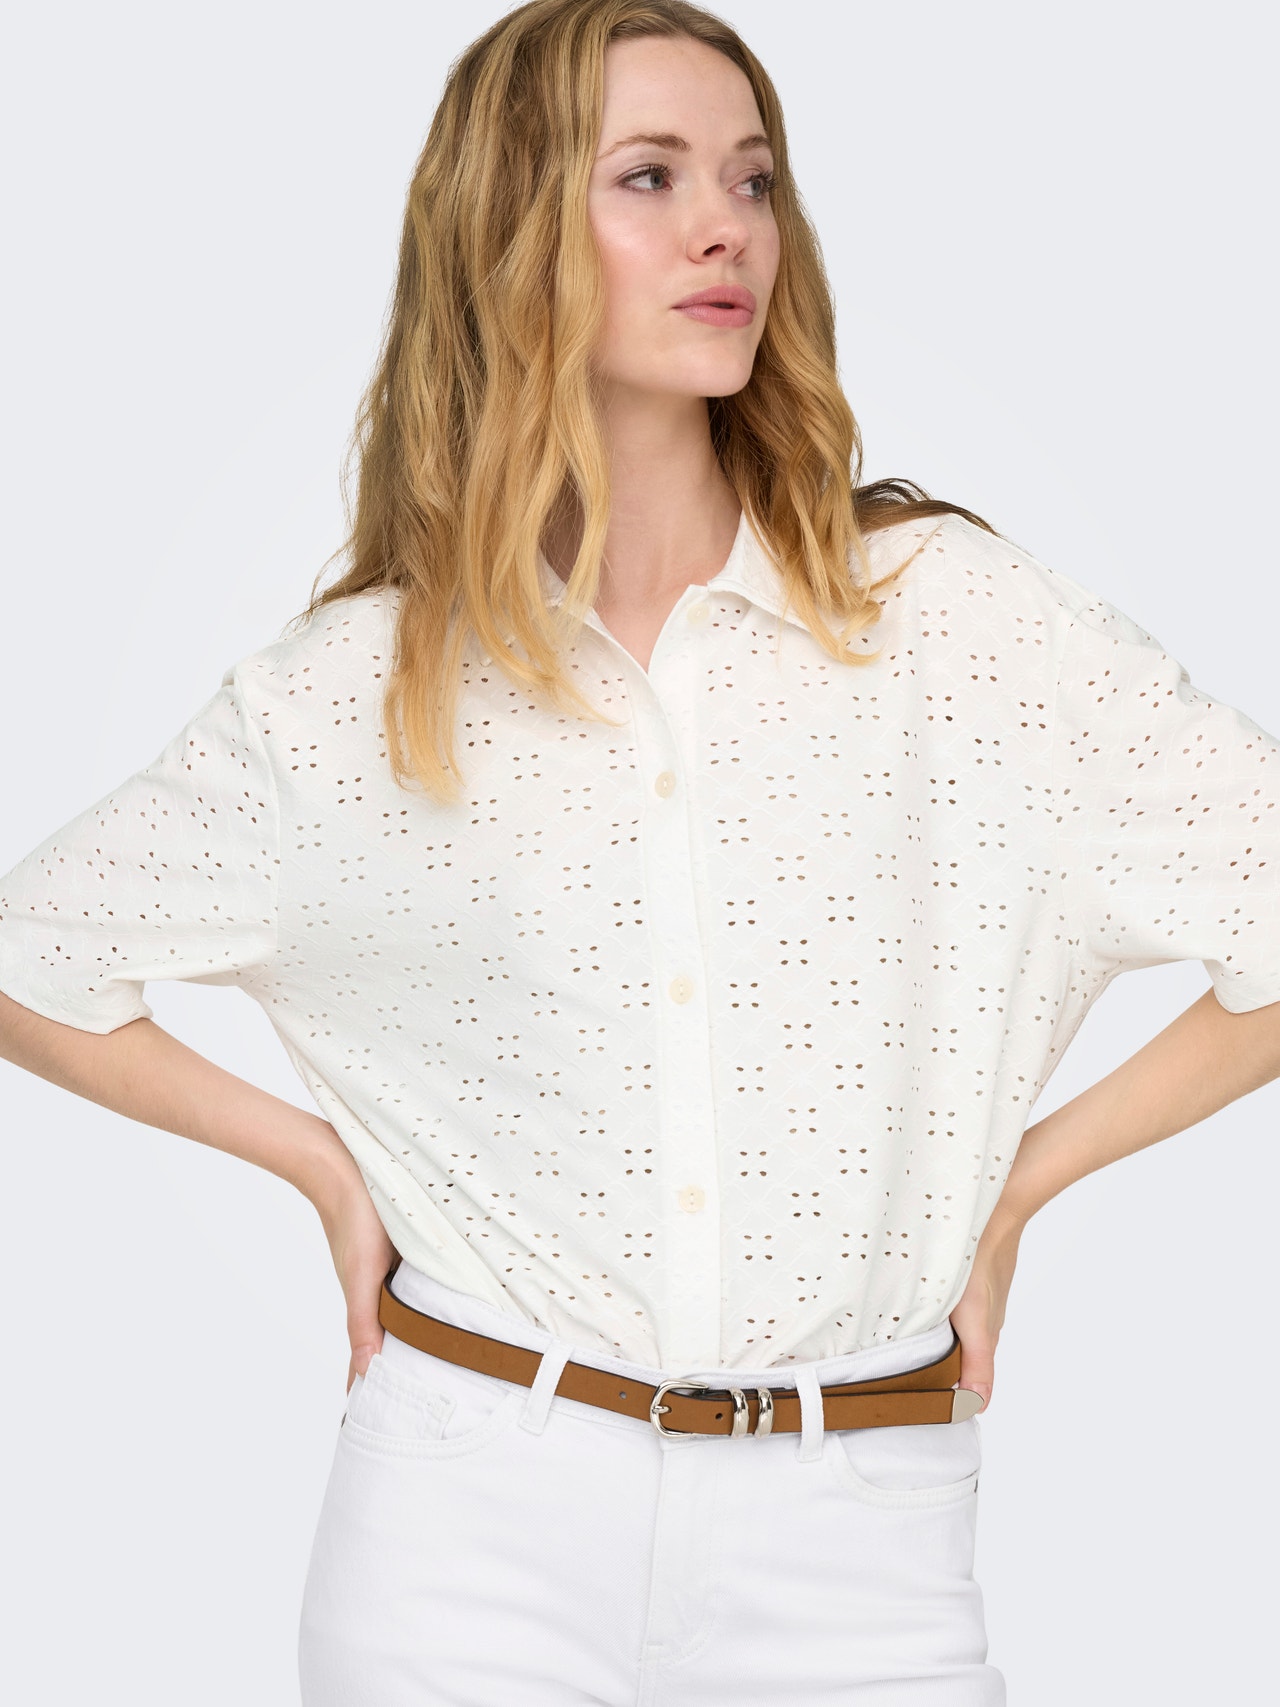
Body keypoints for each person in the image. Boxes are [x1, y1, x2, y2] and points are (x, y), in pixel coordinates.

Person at [3, 0, 1279, 1700]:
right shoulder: (360, 692)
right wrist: (323, 1166)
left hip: (866, 1530)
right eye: (651, 176)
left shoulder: (957, 626)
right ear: (512, 230)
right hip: (468, 1520)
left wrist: (1017, 1186)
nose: (724, 227)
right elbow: (37, 958)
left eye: (753, 179)